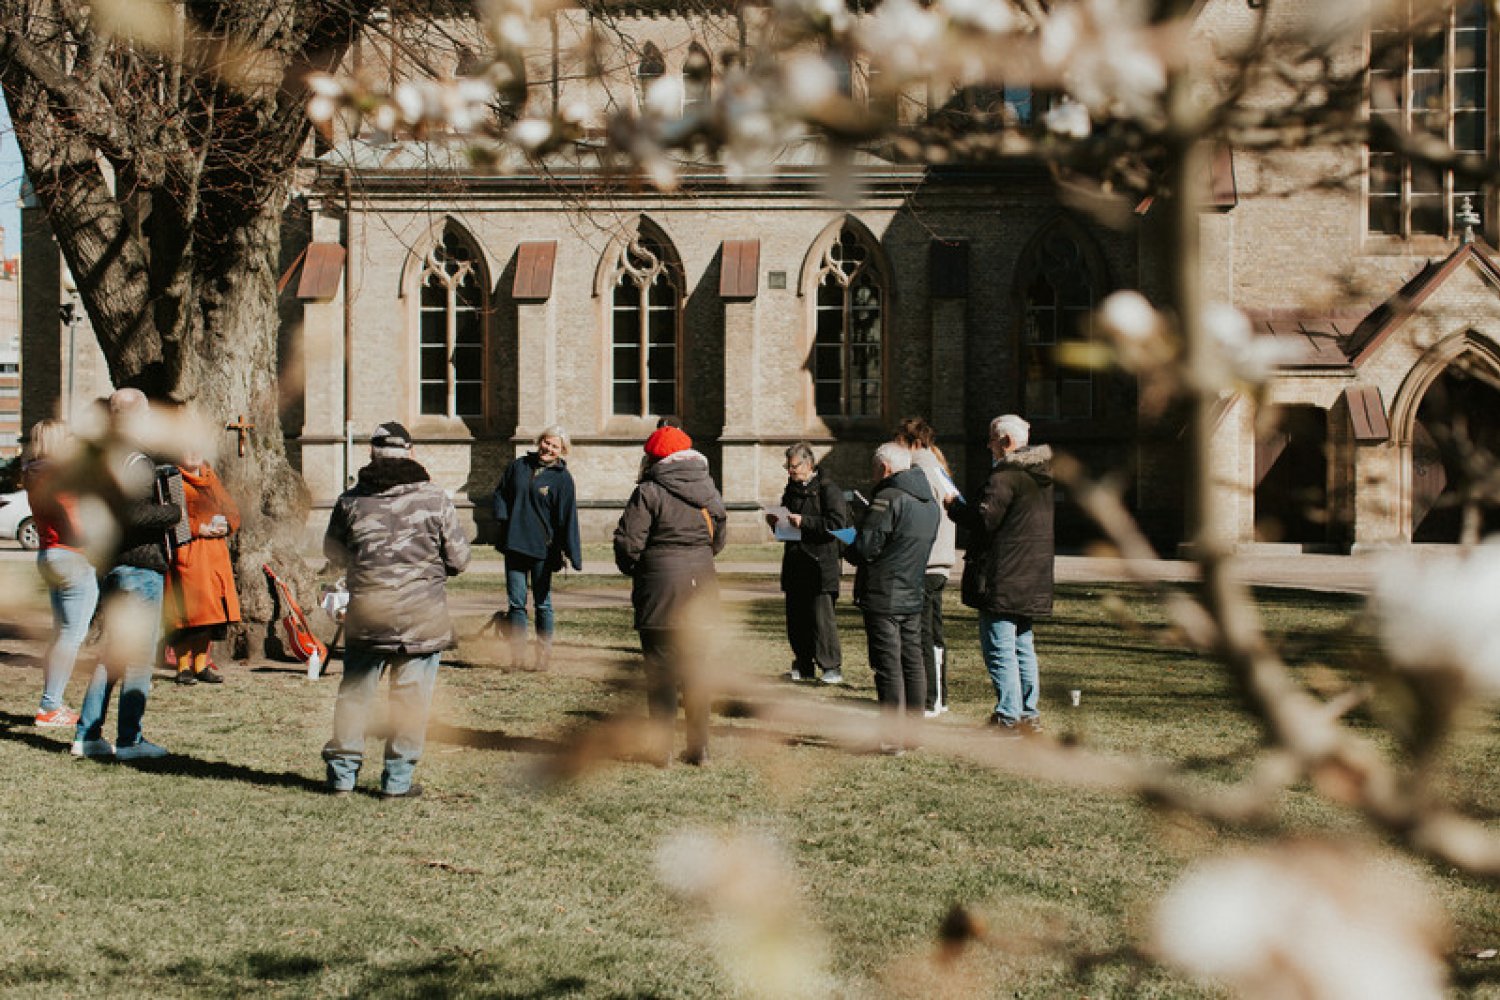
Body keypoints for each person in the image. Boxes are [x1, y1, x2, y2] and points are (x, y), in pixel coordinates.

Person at [322, 421, 471, 798]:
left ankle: (342, 776)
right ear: (411, 453)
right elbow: (459, 559)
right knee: (410, 703)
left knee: (355, 696)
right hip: (420, 621)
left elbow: (333, 552)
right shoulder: (435, 499)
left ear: (371, 454)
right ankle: (397, 782)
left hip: (368, 617)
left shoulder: (350, 501)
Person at [74, 388, 182, 760]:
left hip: (114, 565)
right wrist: (173, 514)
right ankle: (129, 740)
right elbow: (132, 513)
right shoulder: (136, 460)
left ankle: (87, 735)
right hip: (139, 568)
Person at [613, 425, 727, 766]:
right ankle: (699, 748)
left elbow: (629, 543)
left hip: (660, 591)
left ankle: (660, 749)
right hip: (702, 590)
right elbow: (717, 540)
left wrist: (640, 569)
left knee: (660, 672)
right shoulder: (709, 490)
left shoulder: (648, 491)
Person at [946, 414, 1054, 735]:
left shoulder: (1005, 476)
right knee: (1023, 646)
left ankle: (1008, 717)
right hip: (1031, 575)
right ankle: (1028, 714)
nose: (988, 446)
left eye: (992, 439)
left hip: (1002, 575)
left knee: (1001, 649)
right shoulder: (1039, 476)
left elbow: (984, 520)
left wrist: (953, 506)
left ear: (1005, 442)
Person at [844, 442, 940, 751]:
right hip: (914, 590)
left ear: (884, 468)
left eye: (874, 469)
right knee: (912, 660)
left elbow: (864, 549)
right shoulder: (929, 502)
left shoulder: (887, 498)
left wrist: (847, 539)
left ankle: (891, 735)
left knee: (887, 663)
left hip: (883, 593)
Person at [23, 419, 97, 729]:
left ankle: (51, 702)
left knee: (60, 634)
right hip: (72, 555)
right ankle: (50, 706)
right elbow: (74, 515)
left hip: (48, 552)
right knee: (71, 636)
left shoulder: (33, 473)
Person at [491, 426, 582, 668]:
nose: (548, 449)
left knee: (543, 603)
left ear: (562, 451)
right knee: (516, 604)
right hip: (514, 544)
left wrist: (572, 553)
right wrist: (503, 517)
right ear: (539, 441)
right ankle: (517, 657)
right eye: (546, 443)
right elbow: (500, 494)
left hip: (543, 549)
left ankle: (543, 657)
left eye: (555, 446)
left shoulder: (563, 479)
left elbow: (567, 517)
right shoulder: (518, 466)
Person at [768, 441, 850, 685]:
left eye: (794, 467)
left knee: (822, 620)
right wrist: (777, 523)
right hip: (795, 562)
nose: (790, 472)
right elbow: (788, 522)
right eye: (788, 467)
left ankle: (831, 667)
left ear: (809, 464)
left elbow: (837, 526)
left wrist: (805, 522)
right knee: (796, 618)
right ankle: (803, 665)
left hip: (820, 564)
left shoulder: (828, 490)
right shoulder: (790, 489)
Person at [894, 417, 959, 716]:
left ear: (912, 443)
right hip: (941, 562)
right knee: (934, 633)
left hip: (926, 560)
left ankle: (930, 698)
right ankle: (939, 697)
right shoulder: (940, 469)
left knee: (921, 634)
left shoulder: (918, 469)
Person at [164, 448, 241, 685]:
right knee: (187, 615)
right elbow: (172, 517)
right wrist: (199, 528)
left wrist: (227, 525)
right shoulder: (173, 481)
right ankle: (183, 666)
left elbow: (232, 510)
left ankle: (201, 664)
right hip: (190, 554)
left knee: (211, 615)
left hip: (215, 556)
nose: (194, 453)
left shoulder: (211, 478)